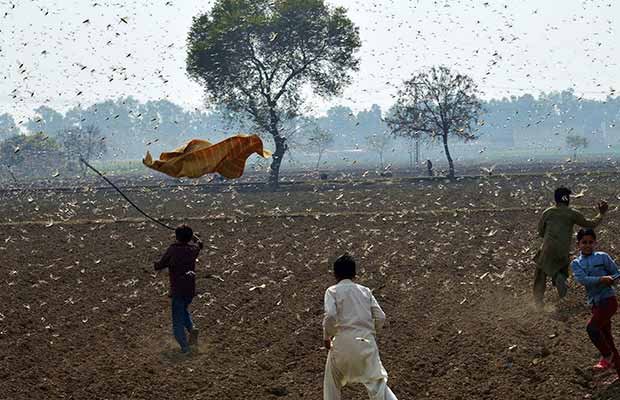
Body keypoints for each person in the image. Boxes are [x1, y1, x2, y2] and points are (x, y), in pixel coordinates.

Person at [323, 254, 398, 400]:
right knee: (378, 386)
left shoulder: (332, 291)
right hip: (366, 343)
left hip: (342, 343)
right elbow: (381, 316)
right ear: (354, 274)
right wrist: (371, 332)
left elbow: (331, 315)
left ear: (335, 274)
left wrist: (327, 337)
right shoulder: (365, 291)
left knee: (331, 383)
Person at [533, 187, 608, 307]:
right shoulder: (573, 213)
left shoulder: (548, 212)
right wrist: (601, 213)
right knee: (560, 267)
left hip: (547, 248)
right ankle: (559, 278)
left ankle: (538, 302)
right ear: (567, 199)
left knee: (541, 271)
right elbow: (590, 224)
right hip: (563, 250)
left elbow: (540, 232)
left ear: (556, 199)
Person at [571, 228, 620, 377]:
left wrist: (612, 278)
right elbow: (582, 279)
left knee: (592, 329)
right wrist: (601, 279)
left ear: (595, 243)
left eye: (590, 242)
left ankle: (607, 357)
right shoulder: (576, 263)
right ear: (578, 244)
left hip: (608, 300)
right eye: (584, 242)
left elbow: (617, 272)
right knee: (607, 339)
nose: (587, 245)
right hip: (595, 303)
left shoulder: (602, 257)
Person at [154, 224, 203, 353]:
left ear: (176, 237)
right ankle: (192, 329)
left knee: (177, 321)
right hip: (190, 289)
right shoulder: (193, 250)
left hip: (177, 289)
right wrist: (193, 236)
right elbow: (200, 243)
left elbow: (160, 265)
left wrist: (156, 264)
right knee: (183, 309)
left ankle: (185, 348)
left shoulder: (173, 249)